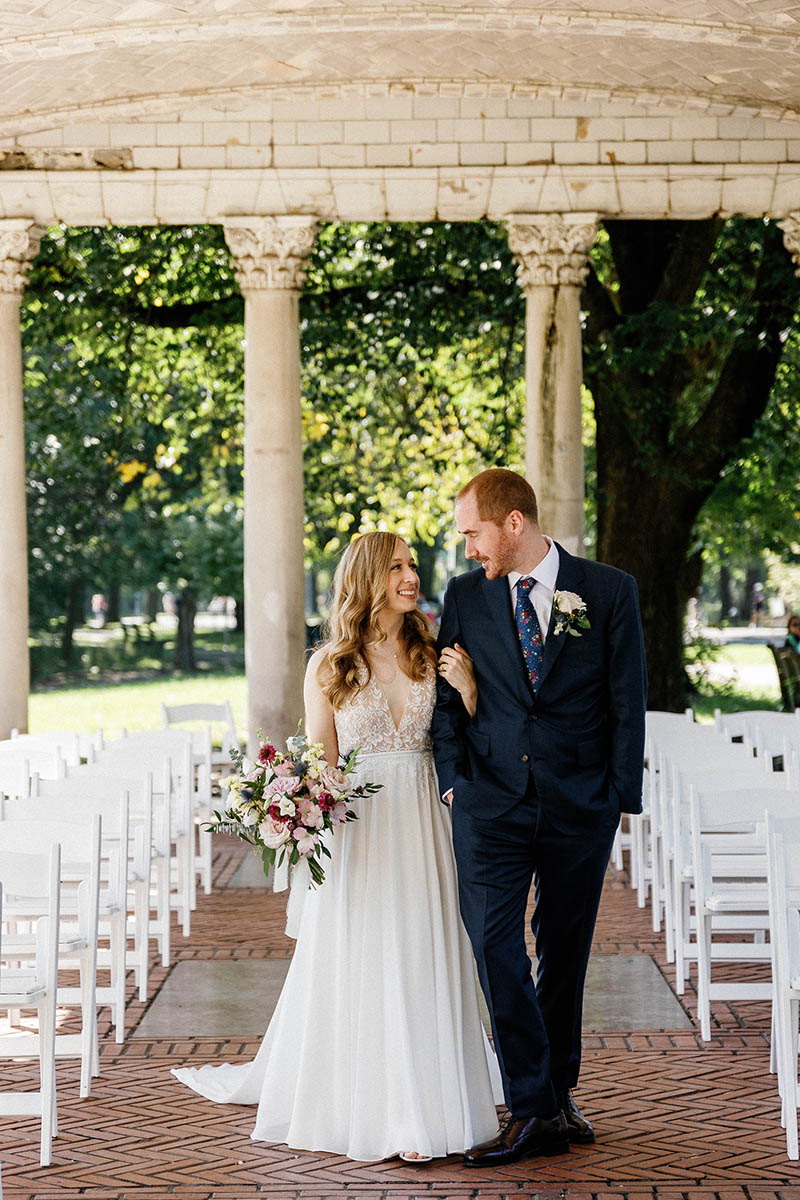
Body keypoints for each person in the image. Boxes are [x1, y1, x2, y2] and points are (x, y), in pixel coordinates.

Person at [173, 531, 502, 1162]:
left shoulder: (433, 650)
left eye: (411, 565)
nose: (411, 576)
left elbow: (464, 735)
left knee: (423, 950)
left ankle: (429, 1097)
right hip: (363, 828)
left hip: (426, 822)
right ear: (369, 578)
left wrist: (469, 693)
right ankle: (382, 1107)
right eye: (397, 567)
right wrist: (299, 807)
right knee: (370, 956)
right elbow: (321, 762)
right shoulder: (329, 665)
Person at [433, 468, 647, 1167]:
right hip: (488, 805)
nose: (468, 549)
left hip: (578, 806)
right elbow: (445, 697)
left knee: (564, 954)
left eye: (473, 533)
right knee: (496, 949)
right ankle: (532, 1105)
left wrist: (616, 798)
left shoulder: (609, 590)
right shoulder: (465, 595)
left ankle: (556, 1095)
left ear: (513, 524)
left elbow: (627, 700)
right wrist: (454, 782)